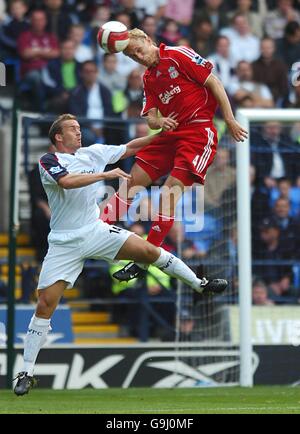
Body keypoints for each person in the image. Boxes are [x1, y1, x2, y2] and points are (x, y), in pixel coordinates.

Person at [13, 113, 228, 396]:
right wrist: (106, 174)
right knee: (45, 305)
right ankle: (26, 372)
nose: (79, 133)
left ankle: (200, 285)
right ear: (58, 137)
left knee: (150, 251)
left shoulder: (94, 152)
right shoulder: (49, 161)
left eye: (79, 128)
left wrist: (164, 134)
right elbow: (66, 182)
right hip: (63, 242)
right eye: (72, 129)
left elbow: (130, 148)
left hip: (95, 231)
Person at [100, 27, 247, 282]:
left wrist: (230, 119)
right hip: (170, 134)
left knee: (167, 196)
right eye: (133, 57)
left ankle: (143, 262)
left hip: (198, 133)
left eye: (139, 51)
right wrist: (161, 120)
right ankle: (96, 228)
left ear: (148, 39)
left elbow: (214, 81)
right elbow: (151, 118)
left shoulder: (178, 55)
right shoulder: (148, 78)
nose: (139, 57)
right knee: (131, 183)